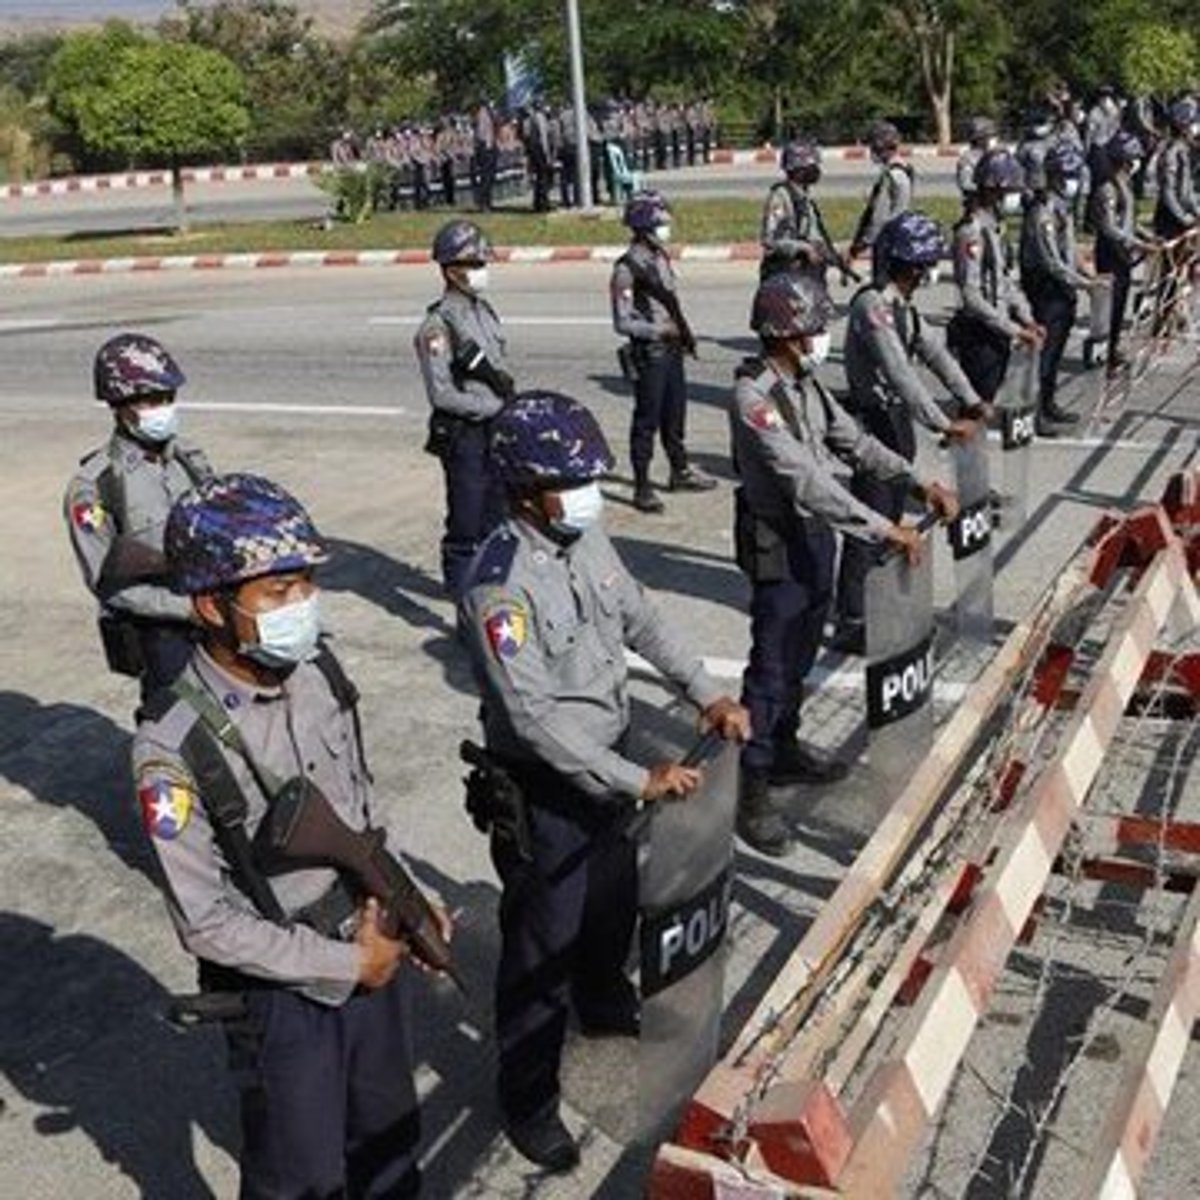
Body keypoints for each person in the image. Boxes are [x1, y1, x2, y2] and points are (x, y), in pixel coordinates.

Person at [133, 472, 447, 1198]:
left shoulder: (318, 672)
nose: (300, 606)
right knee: (298, 1178)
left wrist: (407, 898)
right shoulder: (172, 747)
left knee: (391, 1144)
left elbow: (361, 816)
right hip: (286, 993)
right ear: (211, 605)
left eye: (305, 585)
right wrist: (345, 967)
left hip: (373, 941)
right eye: (276, 593)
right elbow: (206, 923)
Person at [458, 391, 749, 1170]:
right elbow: (532, 719)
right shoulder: (498, 584)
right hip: (549, 787)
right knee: (538, 954)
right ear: (525, 491)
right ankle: (527, 1099)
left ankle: (604, 999)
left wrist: (705, 691)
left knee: (613, 903)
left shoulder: (582, 536)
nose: (589, 490)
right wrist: (636, 778)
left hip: (614, 768)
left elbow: (642, 618)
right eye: (572, 478)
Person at [731, 274, 958, 855]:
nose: (822, 337)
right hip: (778, 539)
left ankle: (784, 747)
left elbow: (853, 442)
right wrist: (885, 529)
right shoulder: (754, 396)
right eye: (813, 328)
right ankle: (751, 786)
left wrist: (916, 482)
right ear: (784, 334)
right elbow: (806, 480)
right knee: (772, 665)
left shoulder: (807, 385)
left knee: (803, 652)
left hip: (814, 537)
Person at [830, 212, 983, 655]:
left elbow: (935, 354)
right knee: (869, 522)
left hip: (896, 425)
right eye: (925, 262)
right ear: (909, 264)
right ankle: (852, 617)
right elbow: (899, 373)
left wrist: (971, 399)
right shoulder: (872, 306)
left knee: (892, 518)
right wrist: (941, 421)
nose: (931, 270)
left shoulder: (903, 308)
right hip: (874, 424)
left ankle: (882, 604)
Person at [65, 333, 213, 712]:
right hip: (160, 631)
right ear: (119, 405)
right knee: (179, 733)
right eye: (151, 400)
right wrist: (188, 609)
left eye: (168, 398)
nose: (163, 408)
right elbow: (109, 584)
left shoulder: (189, 460)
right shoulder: (96, 487)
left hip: (213, 616)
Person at [415, 219, 515, 598]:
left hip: (495, 430)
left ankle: (495, 597)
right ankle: (463, 607)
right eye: (472, 265)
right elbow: (441, 394)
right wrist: (489, 404)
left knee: (498, 518)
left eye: (481, 264)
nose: (480, 272)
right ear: (450, 270)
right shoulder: (437, 327)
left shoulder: (483, 311)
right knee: (466, 526)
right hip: (466, 435)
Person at [610, 189, 717, 513]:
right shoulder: (626, 269)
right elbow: (622, 322)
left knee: (675, 416)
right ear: (644, 226)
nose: (666, 228)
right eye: (660, 223)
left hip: (671, 351)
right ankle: (642, 486)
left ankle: (679, 470)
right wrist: (659, 330)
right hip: (651, 354)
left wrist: (680, 335)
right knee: (647, 421)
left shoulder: (659, 257)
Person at [947, 149, 1045, 407]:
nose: (1013, 199)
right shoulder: (972, 232)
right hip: (979, 333)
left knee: (991, 399)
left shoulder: (996, 228)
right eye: (1009, 192)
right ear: (991, 191)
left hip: (997, 329)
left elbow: (1005, 281)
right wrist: (1013, 329)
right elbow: (970, 295)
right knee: (978, 406)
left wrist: (1027, 318)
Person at [1020, 142, 1097, 433]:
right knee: (1045, 354)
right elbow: (1052, 261)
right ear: (1052, 175)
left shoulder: (1063, 207)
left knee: (1056, 352)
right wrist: (1084, 284)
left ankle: (1049, 402)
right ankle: (1037, 413)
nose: (1071, 180)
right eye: (1066, 175)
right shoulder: (1042, 213)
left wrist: (1086, 272)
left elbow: (1069, 250)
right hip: (1046, 289)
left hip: (1062, 289)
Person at [1091, 131, 1157, 376]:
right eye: (1134, 158)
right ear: (1125, 159)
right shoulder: (1108, 189)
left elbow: (1128, 220)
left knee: (1120, 307)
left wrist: (1145, 235)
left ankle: (1113, 348)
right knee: (1111, 307)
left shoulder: (1125, 184)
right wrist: (1138, 244)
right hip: (1110, 254)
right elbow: (1109, 228)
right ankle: (1106, 356)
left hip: (1124, 253)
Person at [759, 137, 850, 285]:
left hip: (808, 278)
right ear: (798, 170)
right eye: (811, 166)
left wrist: (835, 255)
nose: (816, 170)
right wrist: (803, 249)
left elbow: (814, 237)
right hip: (784, 278)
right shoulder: (780, 197)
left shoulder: (805, 198)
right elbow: (769, 241)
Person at [849, 120, 913, 265]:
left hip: (887, 241)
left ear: (880, 146)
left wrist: (863, 243)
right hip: (901, 237)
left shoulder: (890, 176)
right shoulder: (906, 169)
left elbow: (879, 216)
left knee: (882, 285)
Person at [956, 116, 998, 201]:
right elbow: (966, 184)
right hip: (976, 206)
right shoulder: (968, 159)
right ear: (980, 139)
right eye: (990, 137)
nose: (994, 140)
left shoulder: (993, 156)